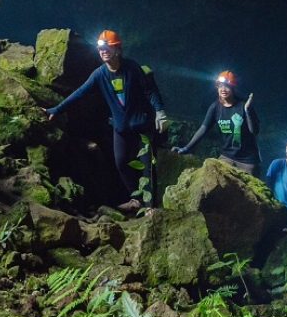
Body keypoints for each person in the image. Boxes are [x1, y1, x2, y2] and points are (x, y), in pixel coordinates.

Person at [43, 29, 169, 212]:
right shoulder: (100, 74)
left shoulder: (132, 68)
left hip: (141, 126)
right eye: (100, 48)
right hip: (121, 129)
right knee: (121, 163)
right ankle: (136, 199)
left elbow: (150, 91)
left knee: (146, 167)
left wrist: (160, 112)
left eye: (107, 47)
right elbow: (79, 93)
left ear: (117, 49)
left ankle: (150, 208)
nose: (103, 51)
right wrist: (57, 109)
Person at [173, 71, 261, 174]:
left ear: (233, 88)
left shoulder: (244, 105)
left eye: (227, 86)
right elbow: (203, 129)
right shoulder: (215, 107)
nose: (223, 89)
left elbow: (255, 131)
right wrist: (186, 148)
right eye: (220, 86)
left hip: (248, 161)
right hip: (227, 157)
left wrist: (247, 111)